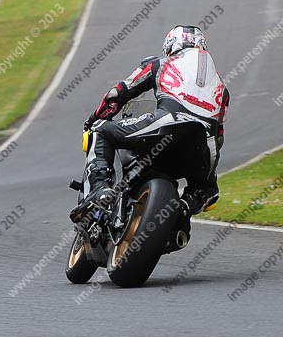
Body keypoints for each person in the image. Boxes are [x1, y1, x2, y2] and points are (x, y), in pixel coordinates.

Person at [71, 26, 230, 250]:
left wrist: (94, 118)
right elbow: (219, 136)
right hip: (204, 142)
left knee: (100, 129)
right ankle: (182, 211)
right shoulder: (222, 89)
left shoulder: (159, 64)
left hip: (166, 123)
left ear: (171, 46)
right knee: (208, 190)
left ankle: (100, 190)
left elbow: (117, 95)